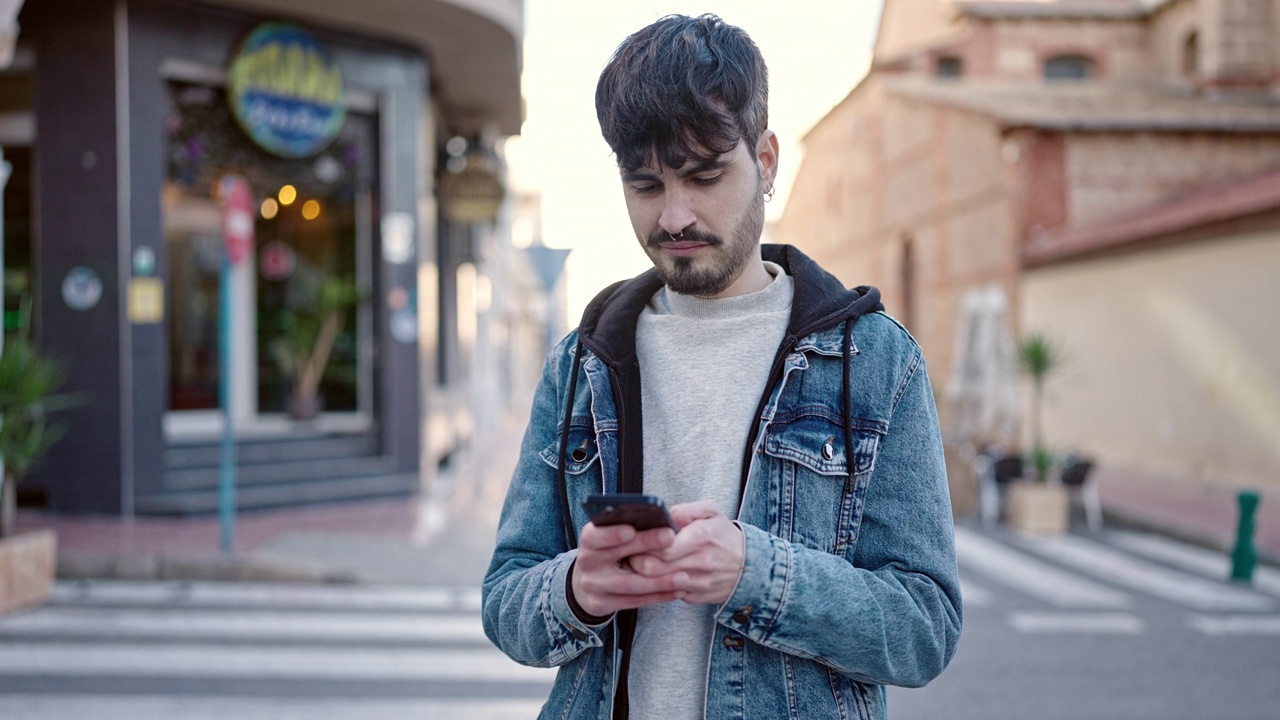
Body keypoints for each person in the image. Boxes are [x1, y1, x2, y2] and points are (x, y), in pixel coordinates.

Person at [483, 14, 961, 720]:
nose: (675, 216)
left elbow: (925, 628)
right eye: (645, 185)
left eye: (704, 176)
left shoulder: (876, 360)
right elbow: (506, 598)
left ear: (765, 160)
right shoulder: (580, 363)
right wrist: (579, 588)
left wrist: (759, 575)